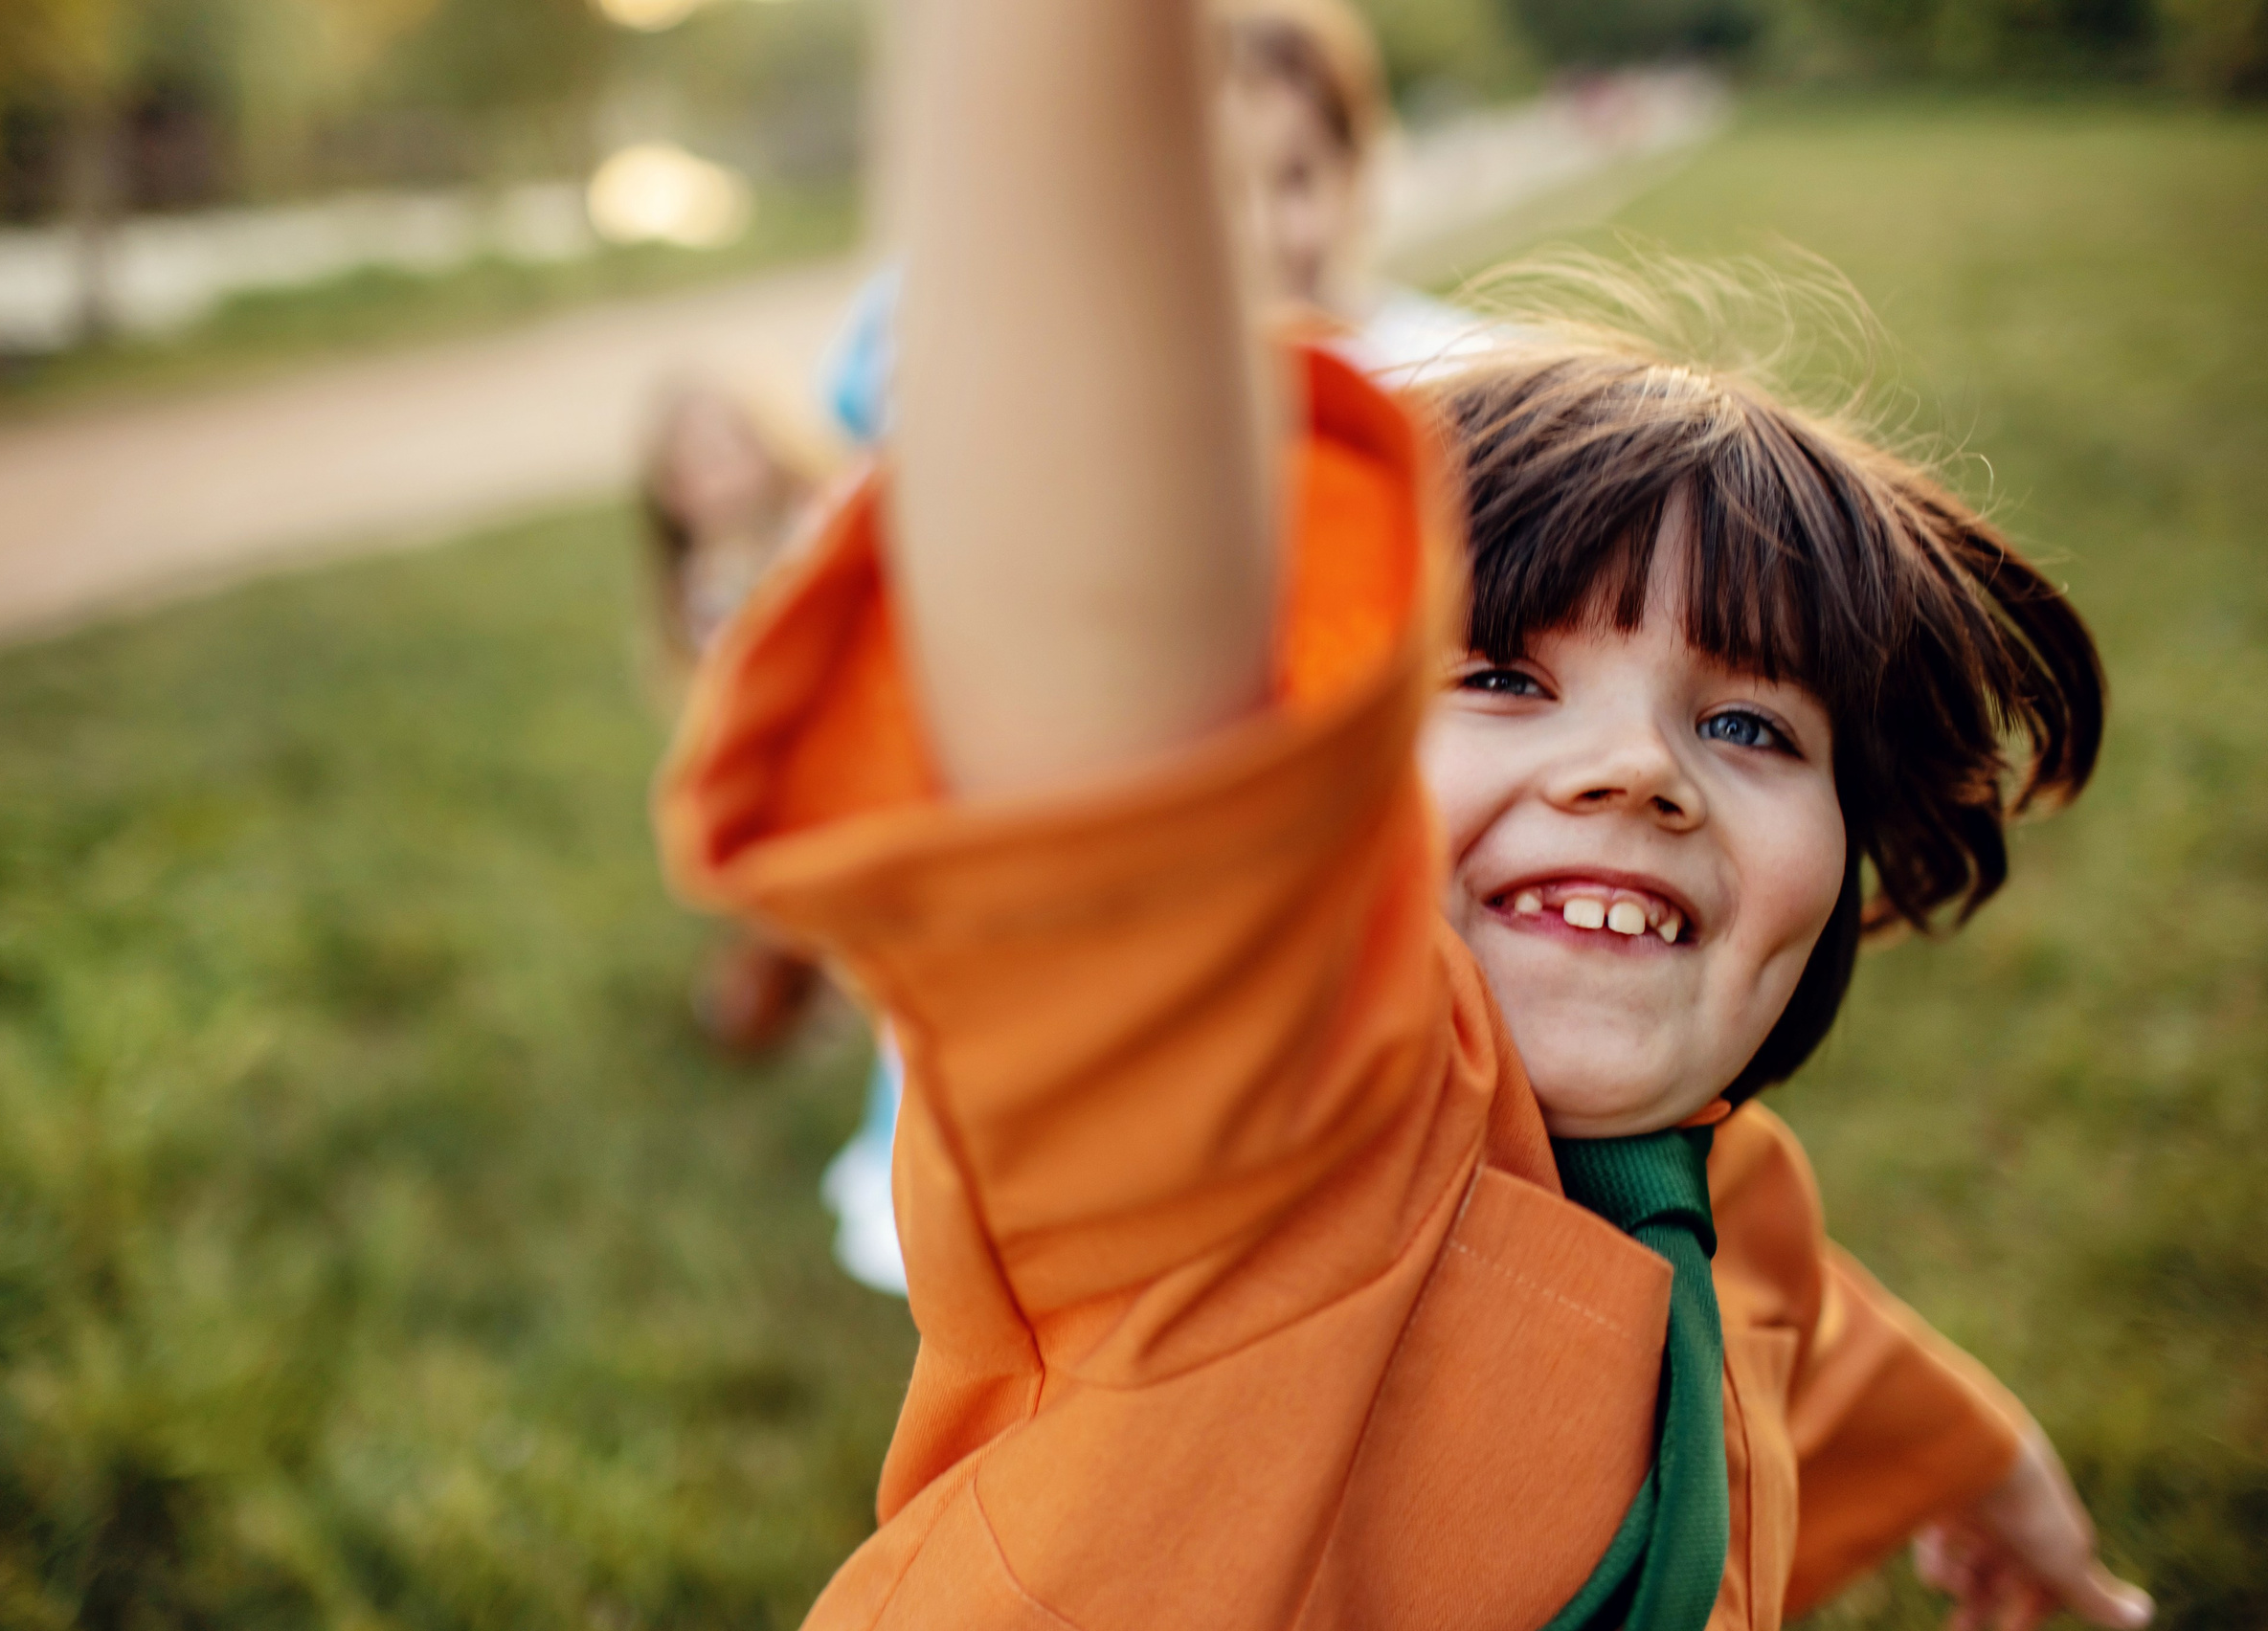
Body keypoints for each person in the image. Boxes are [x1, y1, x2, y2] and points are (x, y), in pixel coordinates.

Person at [659, 4, 2151, 1629]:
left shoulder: (1724, 1200)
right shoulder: (1247, 1124)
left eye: (1744, 722)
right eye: (1505, 677)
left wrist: (1997, 1470)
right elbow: (1099, 636)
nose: (1640, 769)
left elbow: (1813, 1340)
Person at [814, 0, 1488, 1298]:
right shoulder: (1087, 405)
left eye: (1294, 178)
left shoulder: (1450, 373)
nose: (1255, 231)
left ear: (1359, 173)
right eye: (1209, 185)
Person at [636, 378, 837, 1055]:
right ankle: (799, 984)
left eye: (729, 447)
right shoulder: (707, 589)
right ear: (670, 495)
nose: (717, 475)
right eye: (691, 464)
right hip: (789, 771)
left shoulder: (820, 521)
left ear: (772, 445)